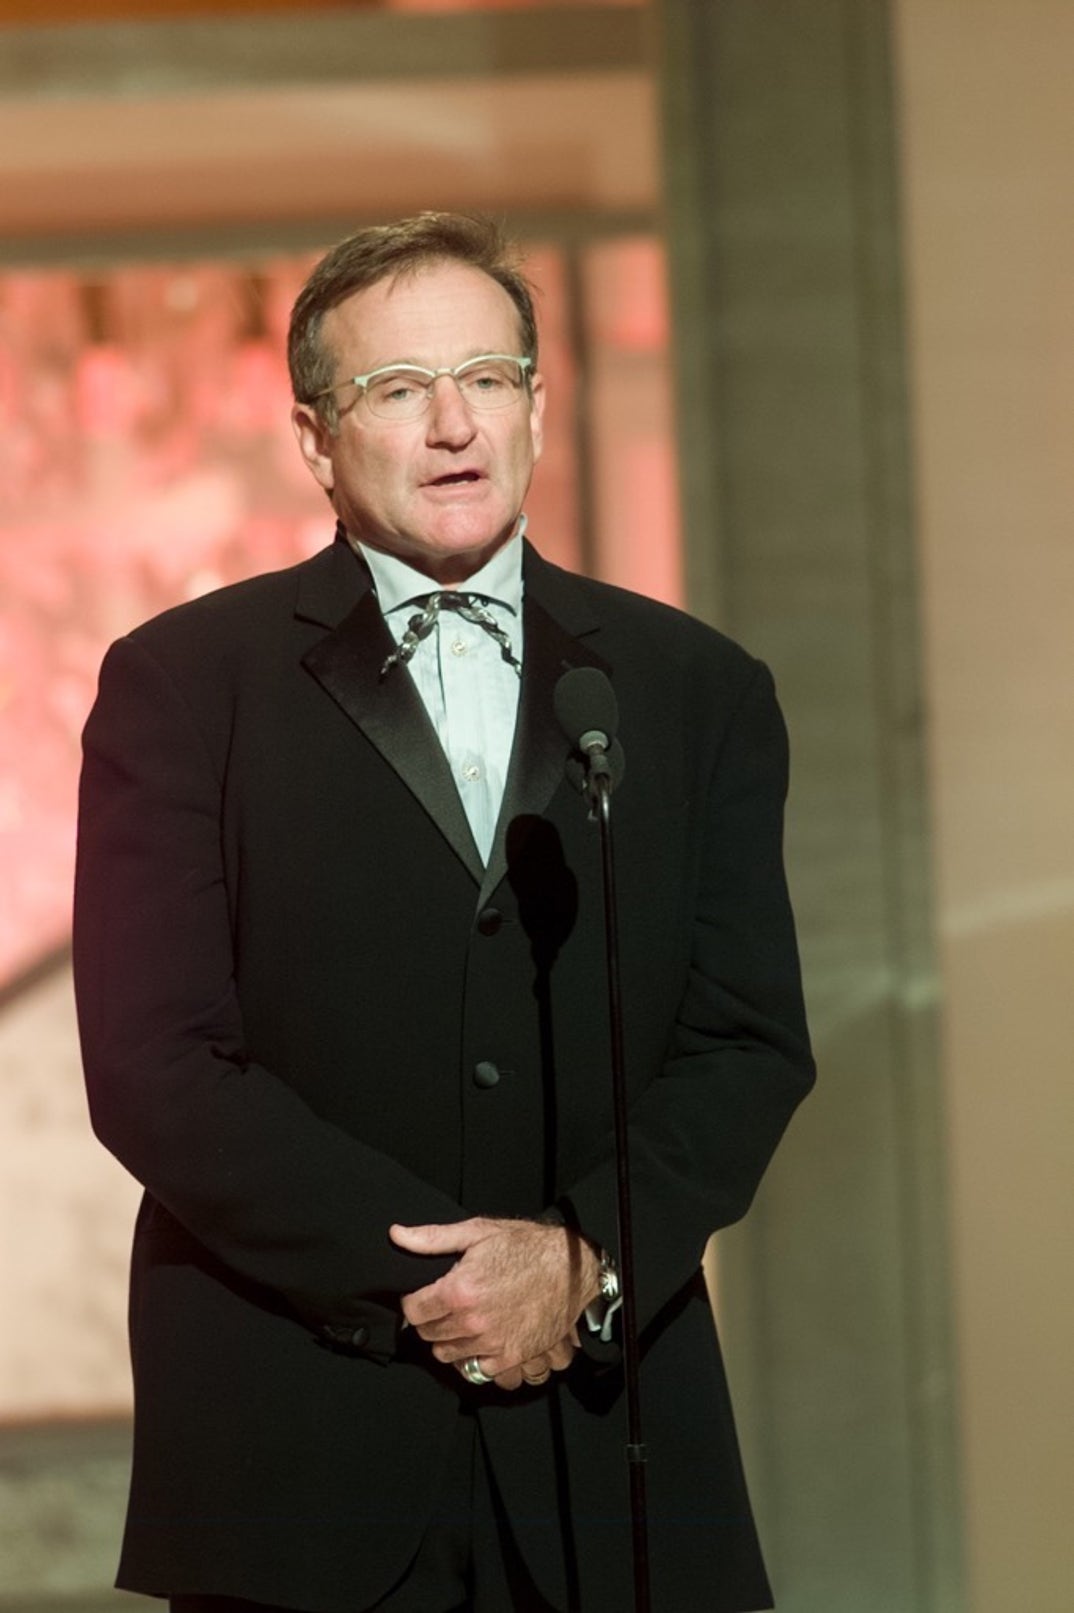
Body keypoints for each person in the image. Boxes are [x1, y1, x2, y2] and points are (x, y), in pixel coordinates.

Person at [74, 212, 815, 1613]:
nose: (453, 423)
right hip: (301, 1443)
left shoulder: (693, 688)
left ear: (540, 405)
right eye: (398, 389)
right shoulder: (184, 686)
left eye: (487, 377)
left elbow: (744, 1043)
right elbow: (155, 1066)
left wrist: (581, 1258)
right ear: (314, 437)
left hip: (615, 1450)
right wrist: (444, 1280)